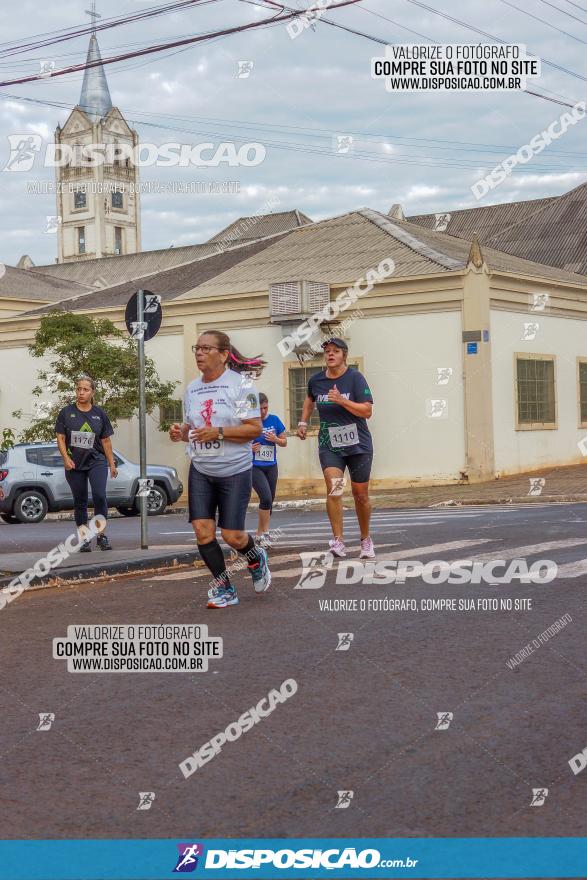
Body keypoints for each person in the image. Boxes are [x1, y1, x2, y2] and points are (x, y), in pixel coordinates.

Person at [169, 330, 271, 609]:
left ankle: (254, 557)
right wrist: (181, 431)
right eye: (196, 348)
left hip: (235, 469)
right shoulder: (192, 388)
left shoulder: (241, 386)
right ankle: (224, 587)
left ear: (224, 354)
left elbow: (253, 428)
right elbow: (192, 426)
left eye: (206, 348)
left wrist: (219, 433)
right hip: (201, 468)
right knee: (202, 531)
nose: (199, 353)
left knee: (232, 536)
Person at [296, 338, 375, 559]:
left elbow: (367, 411)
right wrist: (303, 422)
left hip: (358, 445)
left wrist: (342, 401)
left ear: (344, 356)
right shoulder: (317, 381)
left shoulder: (355, 379)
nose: (330, 354)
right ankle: (338, 540)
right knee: (335, 488)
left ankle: (365, 539)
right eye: (327, 351)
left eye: (335, 351)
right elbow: (309, 400)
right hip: (330, 444)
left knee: (360, 494)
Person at [55, 375, 117, 551]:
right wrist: (66, 459)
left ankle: (101, 536)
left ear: (92, 392)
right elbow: (60, 438)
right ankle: (84, 538)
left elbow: (106, 441)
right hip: (74, 463)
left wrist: (112, 463)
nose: (81, 392)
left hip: (96, 461)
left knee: (99, 495)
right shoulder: (66, 412)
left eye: (85, 389)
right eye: (78, 389)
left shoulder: (99, 414)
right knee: (80, 500)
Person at [251, 393, 287, 542]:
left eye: (265, 408)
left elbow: (284, 442)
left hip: (271, 466)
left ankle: (259, 533)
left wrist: (276, 439)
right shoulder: (250, 422)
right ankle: (265, 533)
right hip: (254, 466)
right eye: (260, 409)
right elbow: (238, 443)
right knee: (265, 497)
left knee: (269, 500)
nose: (263, 411)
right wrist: (249, 448)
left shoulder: (274, 420)